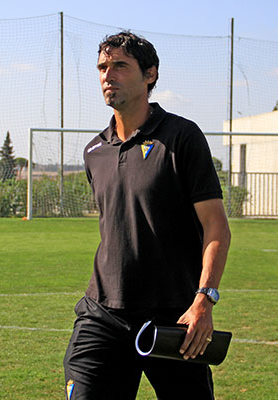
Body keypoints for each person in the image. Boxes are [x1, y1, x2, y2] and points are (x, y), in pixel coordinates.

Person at [63, 31, 231, 400]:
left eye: (121, 66)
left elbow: (216, 227)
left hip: (173, 315)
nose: (108, 75)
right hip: (103, 314)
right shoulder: (94, 150)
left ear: (150, 75)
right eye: (103, 67)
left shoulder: (182, 137)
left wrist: (204, 299)